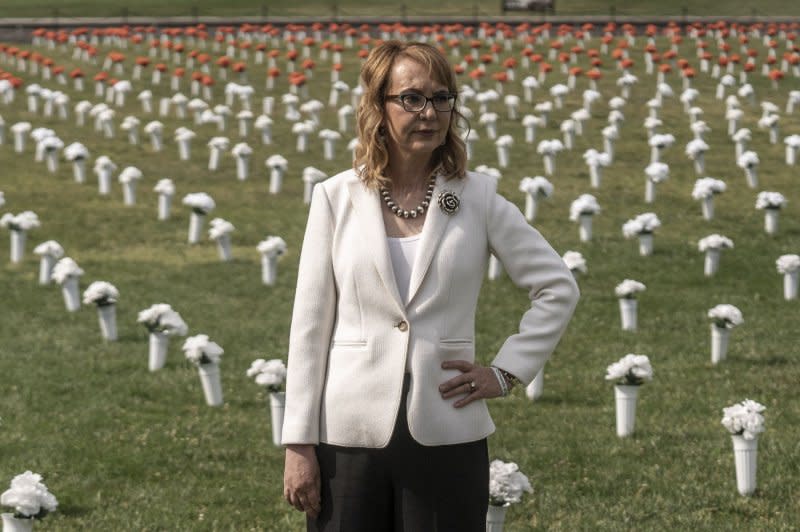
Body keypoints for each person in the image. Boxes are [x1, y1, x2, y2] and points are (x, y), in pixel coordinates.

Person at [282, 40, 579, 531]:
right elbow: (309, 328)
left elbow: (557, 286)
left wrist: (506, 372)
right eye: (412, 98)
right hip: (346, 436)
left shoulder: (478, 197)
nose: (430, 112)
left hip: (448, 430)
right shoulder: (335, 198)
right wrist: (298, 442)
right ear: (379, 106)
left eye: (443, 98)